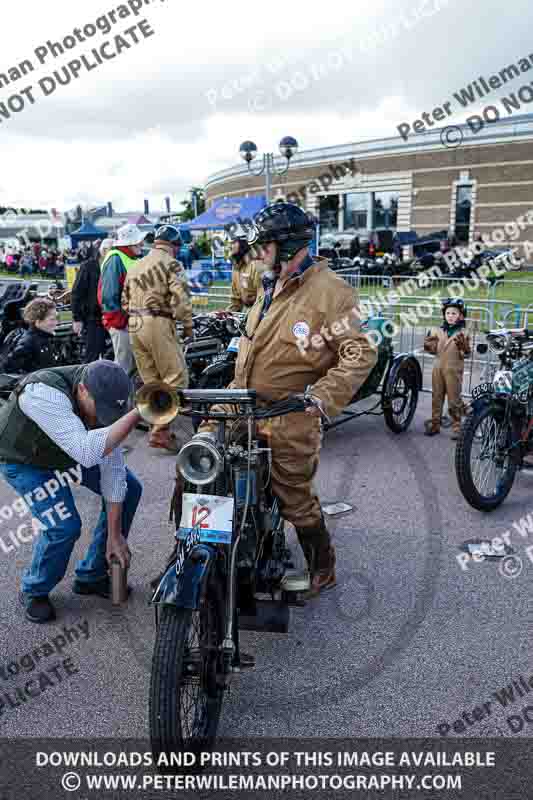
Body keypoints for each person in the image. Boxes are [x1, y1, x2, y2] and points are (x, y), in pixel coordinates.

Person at [197, 202, 377, 598]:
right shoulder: (269, 284)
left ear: (291, 245)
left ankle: (322, 569)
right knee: (197, 464)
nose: (258, 253)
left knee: (294, 498)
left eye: (265, 246)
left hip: (290, 413)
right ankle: (191, 554)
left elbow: (360, 352)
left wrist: (321, 397)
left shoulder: (331, 292)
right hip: (239, 400)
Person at [0, 360, 143, 623]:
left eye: (111, 414)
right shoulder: (42, 393)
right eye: (99, 411)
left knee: (129, 488)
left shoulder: (101, 399)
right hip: (25, 460)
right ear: (83, 390)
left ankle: (93, 574)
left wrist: (115, 535)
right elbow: (88, 453)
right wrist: (137, 414)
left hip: (67, 452)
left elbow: (112, 471)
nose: (103, 419)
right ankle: (35, 589)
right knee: (64, 526)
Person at [122, 224, 193, 453]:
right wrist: (188, 324)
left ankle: (158, 427)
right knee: (175, 378)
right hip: (157, 322)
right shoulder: (172, 263)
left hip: (134, 323)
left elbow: (123, 299)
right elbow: (180, 298)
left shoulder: (136, 265)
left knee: (152, 381)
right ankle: (160, 431)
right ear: (175, 245)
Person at [98, 224, 144, 375]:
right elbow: (109, 294)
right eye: (138, 241)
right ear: (129, 243)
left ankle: (129, 397)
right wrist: (119, 321)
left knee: (131, 365)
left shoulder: (127, 257)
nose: (142, 244)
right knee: (124, 366)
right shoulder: (115, 259)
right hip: (121, 322)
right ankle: (118, 398)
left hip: (129, 320)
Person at [423, 298, 471, 440]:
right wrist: (429, 346)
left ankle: (457, 427)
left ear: (461, 316)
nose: (450, 316)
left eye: (454, 313)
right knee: (436, 397)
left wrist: (465, 348)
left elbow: (467, 354)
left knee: (454, 399)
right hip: (438, 368)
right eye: (448, 313)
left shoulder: (464, 333)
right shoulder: (437, 330)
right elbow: (433, 350)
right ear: (444, 315)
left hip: (454, 370)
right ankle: (435, 423)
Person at [71, 241, 110, 362]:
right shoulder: (88, 266)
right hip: (93, 317)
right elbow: (77, 293)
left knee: (109, 355)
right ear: (103, 251)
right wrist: (77, 318)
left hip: (110, 316)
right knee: (91, 355)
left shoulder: (112, 267)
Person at [0, 298, 57, 373]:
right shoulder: (28, 342)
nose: (56, 323)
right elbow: (8, 369)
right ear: (38, 321)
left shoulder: (44, 338)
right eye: (52, 319)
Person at [227, 234, 265, 312]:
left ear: (244, 242)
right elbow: (235, 300)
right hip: (245, 315)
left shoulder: (257, 266)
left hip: (258, 314)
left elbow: (262, 299)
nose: (230, 246)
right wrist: (228, 314)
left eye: (233, 242)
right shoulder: (236, 268)